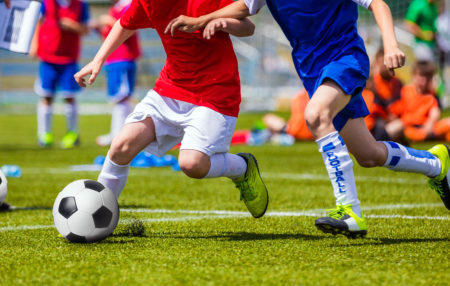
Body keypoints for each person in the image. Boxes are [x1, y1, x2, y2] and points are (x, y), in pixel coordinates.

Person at [165, 0, 450, 238]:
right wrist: (203, 19)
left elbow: (378, 3)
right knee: (369, 153)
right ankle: (437, 165)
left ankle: (349, 211)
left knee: (315, 115)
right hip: (313, 71)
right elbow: (245, 7)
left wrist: (390, 45)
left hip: (346, 58)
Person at [74, 0, 269, 218]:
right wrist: (97, 60)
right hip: (170, 89)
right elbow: (125, 23)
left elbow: (248, 26)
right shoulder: (146, 3)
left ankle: (242, 167)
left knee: (191, 164)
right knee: (121, 146)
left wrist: (222, 22)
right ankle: (101, 213)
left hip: (215, 92)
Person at [30, 0, 90, 148]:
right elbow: (37, 22)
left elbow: (85, 30)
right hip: (48, 57)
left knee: (69, 97)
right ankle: (44, 134)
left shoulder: (81, 5)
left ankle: (72, 133)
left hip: (69, 59)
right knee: (46, 96)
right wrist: (34, 44)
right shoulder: (46, 3)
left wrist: (73, 26)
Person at [92, 0, 141, 147]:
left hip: (123, 58)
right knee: (118, 98)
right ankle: (118, 133)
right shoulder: (116, 7)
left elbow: (129, 28)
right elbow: (110, 35)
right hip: (114, 58)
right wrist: (99, 28)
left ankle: (118, 135)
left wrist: (109, 21)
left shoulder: (129, 5)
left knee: (122, 98)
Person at [393, 60, 450, 142]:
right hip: (408, 127)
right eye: (421, 76)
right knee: (398, 127)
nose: (424, 80)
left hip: (427, 127)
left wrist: (430, 123)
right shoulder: (406, 91)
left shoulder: (432, 95)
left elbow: (435, 112)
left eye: (427, 77)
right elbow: (396, 110)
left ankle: (424, 136)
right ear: (414, 76)